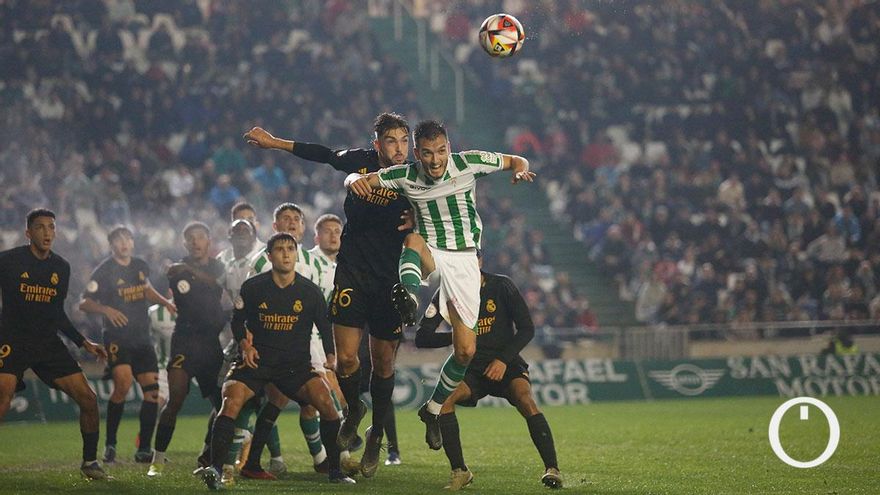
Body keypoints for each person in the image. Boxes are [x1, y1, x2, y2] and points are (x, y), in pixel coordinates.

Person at [345, 119, 533, 452]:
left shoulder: (470, 162)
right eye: (428, 153)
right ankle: (407, 294)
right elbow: (363, 178)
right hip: (430, 250)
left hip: (464, 260)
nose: (435, 160)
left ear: (449, 147)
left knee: (466, 351)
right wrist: (352, 180)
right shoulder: (404, 175)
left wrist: (520, 170)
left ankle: (431, 410)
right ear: (417, 153)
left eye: (441, 151)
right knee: (413, 239)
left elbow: (516, 161)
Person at [244, 112, 412, 478]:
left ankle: (377, 435)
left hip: (390, 280)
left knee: (383, 365)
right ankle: (355, 410)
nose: (399, 148)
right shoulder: (360, 162)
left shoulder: (416, 177)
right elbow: (321, 153)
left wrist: (419, 219)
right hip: (352, 272)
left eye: (404, 141)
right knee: (348, 361)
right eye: (391, 141)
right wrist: (274, 142)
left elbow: (442, 208)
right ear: (377, 144)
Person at [196, 232, 355, 489]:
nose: (285, 253)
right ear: (269, 256)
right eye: (280, 249)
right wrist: (245, 344)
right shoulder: (253, 287)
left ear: (296, 254)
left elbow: (325, 327)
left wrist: (330, 357)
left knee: (326, 402)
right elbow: (237, 321)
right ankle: (215, 469)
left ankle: (335, 471)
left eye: (290, 249)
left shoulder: (309, 291)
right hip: (257, 363)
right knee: (231, 398)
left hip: (295, 366)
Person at [416, 252, 562, 489]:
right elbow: (423, 338)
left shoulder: (502, 285)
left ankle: (552, 469)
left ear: (480, 261)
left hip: (506, 363)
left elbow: (526, 329)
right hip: (470, 369)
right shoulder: (446, 292)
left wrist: (503, 360)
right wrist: (459, 336)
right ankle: (460, 471)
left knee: (525, 399)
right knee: (445, 402)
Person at [242, 203, 352, 477]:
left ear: (303, 227)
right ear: (275, 226)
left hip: (307, 339)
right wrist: (247, 340)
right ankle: (338, 459)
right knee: (326, 397)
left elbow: (321, 307)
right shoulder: (261, 260)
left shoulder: (314, 261)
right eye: (285, 219)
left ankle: (320, 459)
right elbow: (248, 303)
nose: (292, 223)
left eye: (296, 219)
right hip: (270, 340)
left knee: (287, 400)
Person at [0, 208, 109, 480]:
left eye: (51, 227)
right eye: (40, 227)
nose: (47, 232)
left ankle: (90, 463)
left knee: (89, 399)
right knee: (3, 396)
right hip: (11, 339)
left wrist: (84, 342)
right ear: (28, 233)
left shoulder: (61, 267)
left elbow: (57, 314)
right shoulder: (9, 261)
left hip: (47, 343)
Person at [79, 226, 176, 464]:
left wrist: (167, 303)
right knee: (122, 384)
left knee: (153, 393)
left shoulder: (140, 265)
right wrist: (106, 309)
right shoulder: (103, 271)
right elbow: (84, 303)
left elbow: (146, 290)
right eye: (118, 240)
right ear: (111, 244)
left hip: (142, 337)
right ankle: (110, 444)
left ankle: (143, 449)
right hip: (117, 337)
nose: (124, 243)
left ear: (132, 243)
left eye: (127, 239)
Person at [148, 222, 227, 477]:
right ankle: (156, 461)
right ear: (185, 244)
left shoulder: (217, 266)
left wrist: (189, 270)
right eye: (190, 238)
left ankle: (206, 455)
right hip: (184, 341)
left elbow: (217, 285)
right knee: (175, 399)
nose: (195, 242)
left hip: (211, 344)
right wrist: (183, 270)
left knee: (222, 404)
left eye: (200, 237)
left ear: (208, 241)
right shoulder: (176, 270)